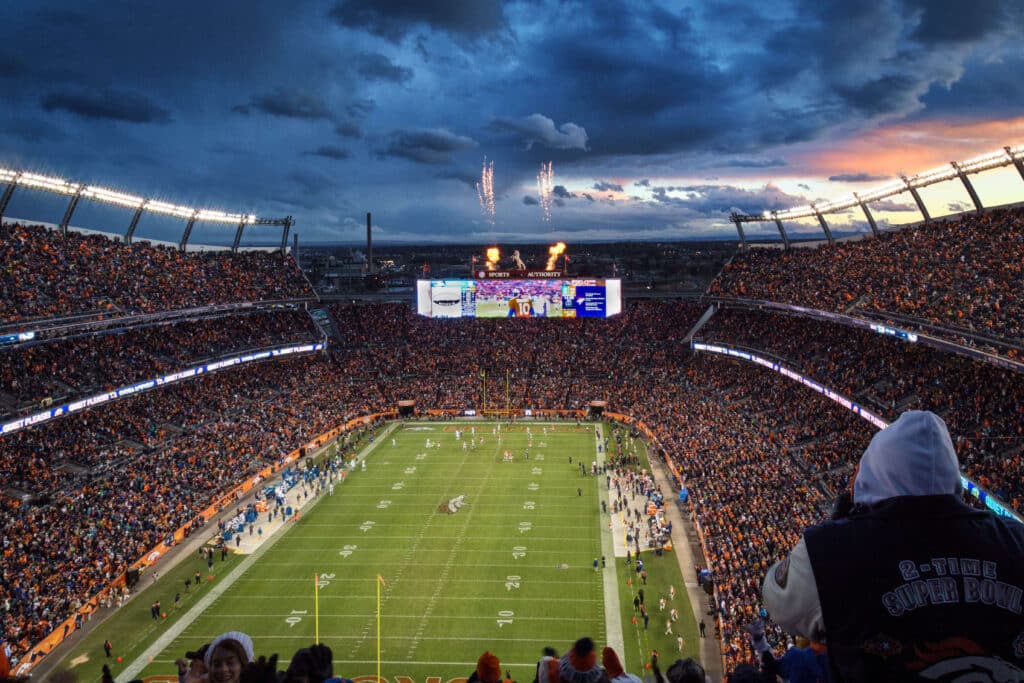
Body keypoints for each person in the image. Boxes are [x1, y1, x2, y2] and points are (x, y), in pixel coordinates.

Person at [763, 410, 1024, 682]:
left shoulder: (832, 550)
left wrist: (840, 522)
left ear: (874, 472)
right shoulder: (1017, 541)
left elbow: (777, 599)